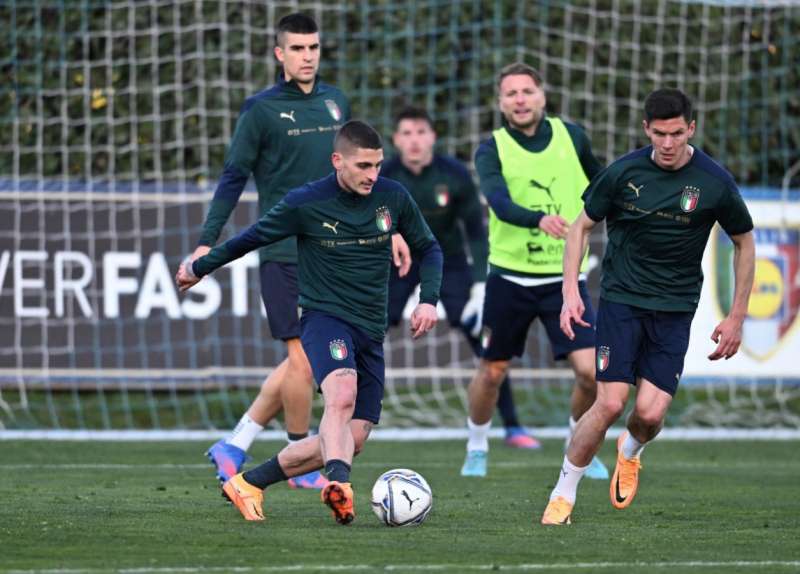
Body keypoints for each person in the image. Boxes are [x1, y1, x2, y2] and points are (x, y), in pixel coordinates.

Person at [176, 120, 443, 524]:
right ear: (338, 161)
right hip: (325, 318)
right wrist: (201, 266)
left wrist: (428, 301)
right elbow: (252, 237)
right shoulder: (306, 202)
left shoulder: (393, 197)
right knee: (341, 396)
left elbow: (430, 248)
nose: (373, 175)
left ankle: (248, 483)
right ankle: (339, 485)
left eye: (377, 165)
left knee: (353, 438)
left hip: (371, 327)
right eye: (363, 166)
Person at [193, 13, 410, 490]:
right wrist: (209, 239)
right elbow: (233, 176)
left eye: (313, 48)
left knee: (302, 360)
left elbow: (361, 180)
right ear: (280, 55)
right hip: (285, 252)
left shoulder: (336, 102)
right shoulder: (261, 110)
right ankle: (299, 458)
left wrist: (389, 228)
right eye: (297, 49)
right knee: (303, 359)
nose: (307, 56)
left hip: (339, 252)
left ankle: (237, 442)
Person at [541, 88, 755, 525]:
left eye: (677, 133)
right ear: (646, 130)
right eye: (660, 134)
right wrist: (570, 291)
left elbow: (744, 241)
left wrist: (737, 316)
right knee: (609, 404)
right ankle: (563, 494)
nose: (669, 143)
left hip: (675, 310)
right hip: (621, 301)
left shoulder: (714, 181)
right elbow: (581, 228)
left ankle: (631, 450)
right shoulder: (623, 173)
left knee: (650, 413)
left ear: (691, 129)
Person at [461, 62, 608, 479]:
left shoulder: (571, 136)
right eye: (511, 94)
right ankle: (476, 445)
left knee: (590, 372)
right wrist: (538, 219)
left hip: (565, 280)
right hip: (510, 278)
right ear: (501, 103)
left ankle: (576, 442)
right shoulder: (492, 148)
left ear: (542, 96)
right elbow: (499, 202)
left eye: (527, 91)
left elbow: (601, 184)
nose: (520, 99)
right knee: (492, 371)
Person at [383, 106, 539, 448]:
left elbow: (476, 233)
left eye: (420, 132)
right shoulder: (383, 175)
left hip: (448, 261)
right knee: (367, 331)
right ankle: (348, 416)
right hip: (396, 261)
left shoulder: (453, 174)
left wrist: (482, 284)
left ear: (433, 137)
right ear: (396, 140)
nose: (414, 140)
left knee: (484, 336)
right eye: (406, 133)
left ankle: (513, 426)